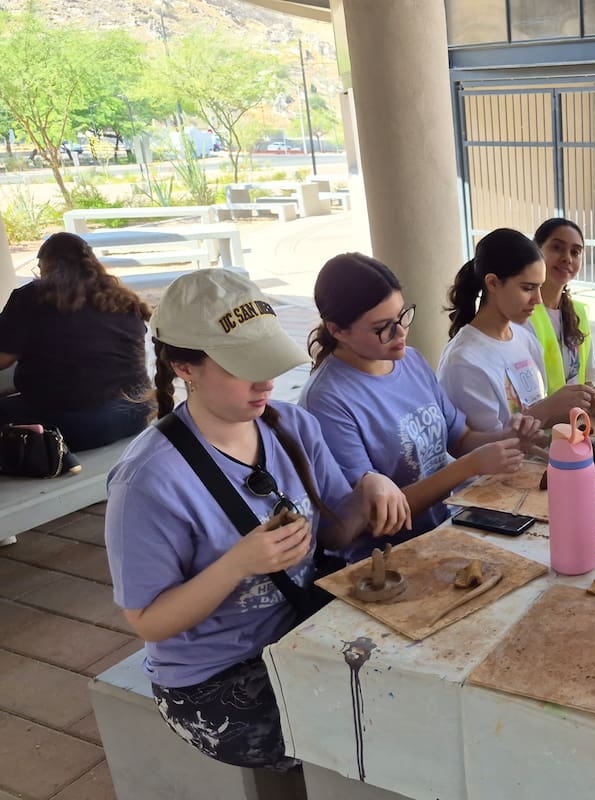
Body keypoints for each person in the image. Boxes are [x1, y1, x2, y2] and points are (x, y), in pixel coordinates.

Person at [105, 270, 411, 771]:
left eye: (268, 361)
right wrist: (237, 563)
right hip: (215, 678)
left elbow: (333, 530)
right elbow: (149, 620)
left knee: (423, 690)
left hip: (302, 630)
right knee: (385, 732)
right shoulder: (148, 481)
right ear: (186, 366)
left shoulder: (290, 425)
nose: (266, 381)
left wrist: (371, 486)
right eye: (243, 366)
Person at [301, 252, 540, 562]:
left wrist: (508, 438)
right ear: (337, 331)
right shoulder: (327, 401)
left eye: (403, 315)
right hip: (390, 559)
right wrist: (468, 467)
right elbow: (378, 514)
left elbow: (460, 438)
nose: (400, 332)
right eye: (381, 327)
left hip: (450, 527)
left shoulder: (409, 360)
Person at [439, 227, 595, 433]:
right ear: (493, 283)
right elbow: (484, 445)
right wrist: (548, 407)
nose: (538, 300)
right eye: (527, 288)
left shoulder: (524, 339)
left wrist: (579, 408)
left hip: (532, 463)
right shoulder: (464, 361)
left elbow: (535, 421)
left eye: (539, 287)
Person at [0, 232, 151, 452]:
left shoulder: (32, 296)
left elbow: (3, 359)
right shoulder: (122, 297)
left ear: (46, 266)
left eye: (40, 269)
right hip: (136, 413)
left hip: (77, 426)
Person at [526, 217, 595, 401]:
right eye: (557, 248)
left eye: (575, 252)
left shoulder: (578, 313)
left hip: (575, 426)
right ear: (536, 251)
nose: (567, 258)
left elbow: (587, 379)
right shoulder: (523, 316)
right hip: (541, 428)